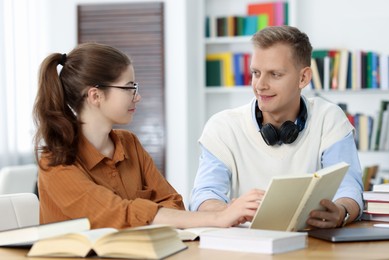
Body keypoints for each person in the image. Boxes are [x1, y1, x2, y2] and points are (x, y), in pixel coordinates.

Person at [33, 42, 259, 230]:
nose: (137, 96)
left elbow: (173, 203)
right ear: (95, 95)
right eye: (129, 87)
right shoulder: (55, 162)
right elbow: (115, 213)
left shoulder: (129, 143)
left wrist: (151, 214)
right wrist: (219, 217)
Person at [189, 25, 364, 229]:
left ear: (303, 78)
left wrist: (341, 211)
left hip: (313, 244)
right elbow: (205, 196)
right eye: (256, 73)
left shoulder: (329, 118)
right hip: (245, 246)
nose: (260, 85)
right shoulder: (222, 127)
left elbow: (349, 189)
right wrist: (225, 212)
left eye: (275, 74)